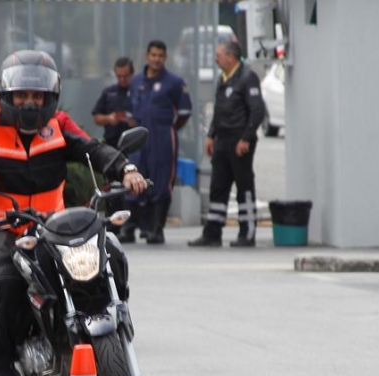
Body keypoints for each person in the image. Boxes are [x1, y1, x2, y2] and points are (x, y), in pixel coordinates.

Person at [0, 50, 148, 376]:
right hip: (1, 228)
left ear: (50, 97)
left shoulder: (58, 126)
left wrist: (126, 169)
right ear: (6, 96)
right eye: (22, 96)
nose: (30, 103)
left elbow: (93, 149)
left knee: (108, 252)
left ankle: (105, 319)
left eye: (37, 96)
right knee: (10, 277)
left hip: (50, 226)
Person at [189, 40, 265, 248]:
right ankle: (212, 233)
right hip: (222, 141)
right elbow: (220, 112)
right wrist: (211, 135)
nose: (215, 58)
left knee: (244, 188)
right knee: (218, 187)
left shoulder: (247, 78)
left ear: (230, 57)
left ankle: (247, 233)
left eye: (219, 55)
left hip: (239, 141)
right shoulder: (223, 79)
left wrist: (246, 138)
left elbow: (258, 111)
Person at [122, 40, 192, 245]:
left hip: (162, 137)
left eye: (161, 56)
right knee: (133, 178)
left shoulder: (175, 82)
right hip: (138, 137)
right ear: (147, 56)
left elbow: (184, 114)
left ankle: (156, 229)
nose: (156, 59)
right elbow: (130, 113)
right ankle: (128, 228)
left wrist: (168, 128)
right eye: (153, 55)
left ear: (165, 58)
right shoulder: (135, 81)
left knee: (161, 181)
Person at [91, 57, 136, 147]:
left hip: (134, 143)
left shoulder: (139, 92)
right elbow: (96, 118)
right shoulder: (108, 92)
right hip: (112, 144)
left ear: (132, 73)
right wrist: (108, 118)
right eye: (119, 76)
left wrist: (136, 122)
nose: (122, 79)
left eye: (125, 76)